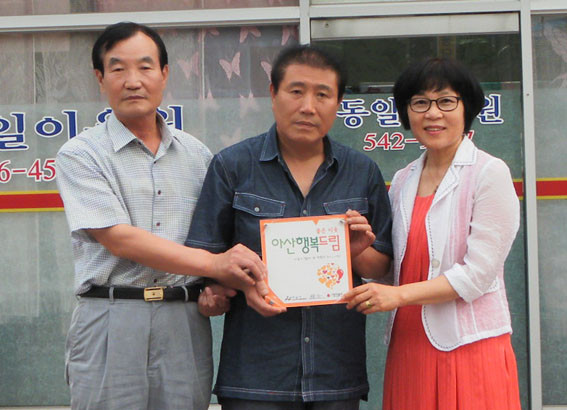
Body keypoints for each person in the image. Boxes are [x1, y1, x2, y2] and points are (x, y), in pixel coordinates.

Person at [56, 22, 270, 410]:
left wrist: (215, 285)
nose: (133, 81)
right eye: (118, 69)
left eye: (145, 67)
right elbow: (119, 238)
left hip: (183, 321)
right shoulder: (81, 154)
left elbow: (212, 236)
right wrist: (215, 265)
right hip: (111, 317)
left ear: (165, 73)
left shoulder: (198, 155)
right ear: (100, 78)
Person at [185, 45, 393, 410]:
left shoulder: (362, 172)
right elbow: (204, 258)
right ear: (273, 93)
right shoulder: (233, 166)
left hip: (334, 374)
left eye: (322, 95)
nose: (308, 106)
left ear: (338, 102)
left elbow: (381, 266)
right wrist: (229, 287)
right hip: (256, 376)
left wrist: (354, 252)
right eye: (296, 91)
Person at [342, 58, 522, 409]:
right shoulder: (404, 179)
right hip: (409, 344)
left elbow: (477, 276)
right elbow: (395, 270)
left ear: (467, 107)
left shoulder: (489, 173)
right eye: (420, 102)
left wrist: (397, 296)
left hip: (469, 345)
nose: (433, 113)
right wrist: (357, 248)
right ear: (407, 112)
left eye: (446, 101)